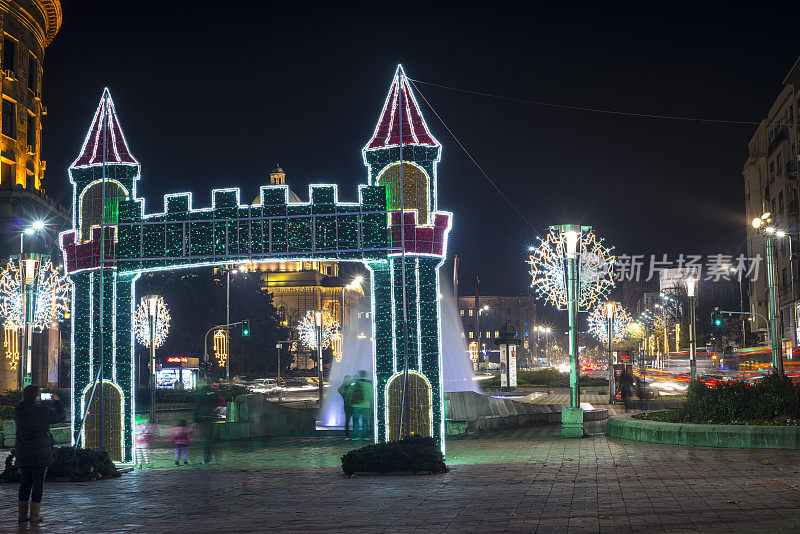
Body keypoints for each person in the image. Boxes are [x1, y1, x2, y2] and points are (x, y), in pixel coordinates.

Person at [14, 385, 65, 523]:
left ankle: (22, 514)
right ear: (36, 396)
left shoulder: (19, 410)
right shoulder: (41, 410)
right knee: (38, 483)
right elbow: (60, 416)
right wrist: (57, 402)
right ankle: (35, 515)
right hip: (40, 451)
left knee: (25, 482)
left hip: (23, 450)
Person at [194, 384, 224, 464]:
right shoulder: (214, 394)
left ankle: (207, 459)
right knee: (214, 440)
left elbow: (197, 406)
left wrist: (196, 419)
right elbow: (221, 403)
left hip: (204, 418)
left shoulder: (201, 394)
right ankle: (218, 459)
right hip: (214, 418)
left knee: (206, 440)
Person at [350, 370, 373, 440]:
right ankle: (365, 436)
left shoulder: (355, 383)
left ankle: (355, 436)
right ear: (365, 376)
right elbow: (371, 396)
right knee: (365, 421)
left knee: (355, 421)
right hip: (365, 406)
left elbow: (351, 393)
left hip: (355, 406)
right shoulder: (369, 384)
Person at [337, 375, 354, 439]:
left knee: (347, 420)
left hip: (346, 405)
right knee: (354, 420)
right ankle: (354, 435)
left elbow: (340, 392)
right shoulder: (351, 387)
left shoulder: (341, 388)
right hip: (351, 405)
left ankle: (347, 435)